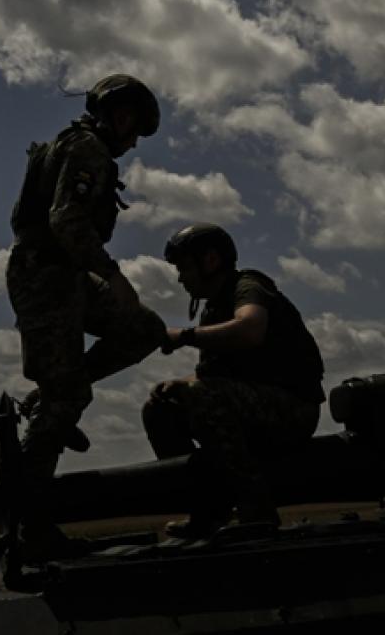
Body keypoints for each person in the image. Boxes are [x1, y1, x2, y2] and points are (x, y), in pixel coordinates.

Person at [6, 73, 167, 555]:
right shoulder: (89, 150)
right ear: (120, 118)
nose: (134, 142)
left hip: (68, 275)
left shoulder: (73, 145)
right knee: (65, 399)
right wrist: (112, 274)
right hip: (46, 276)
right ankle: (29, 529)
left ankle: (57, 391)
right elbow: (66, 218)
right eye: (134, 130)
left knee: (144, 328)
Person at [145, 223, 324, 538]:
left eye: (185, 267)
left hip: (293, 409)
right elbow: (211, 375)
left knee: (201, 393)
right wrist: (177, 384)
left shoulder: (248, 287)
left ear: (211, 261)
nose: (181, 278)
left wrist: (185, 336)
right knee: (160, 407)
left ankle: (257, 514)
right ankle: (206, 511)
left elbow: (250, 329)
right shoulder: (213, 310)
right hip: (253, 407)